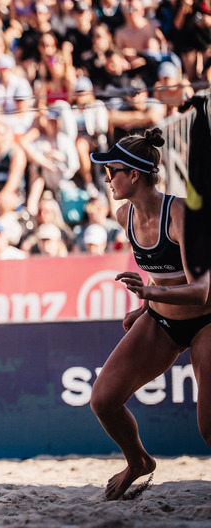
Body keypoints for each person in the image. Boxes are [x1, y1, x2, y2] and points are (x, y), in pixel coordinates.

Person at [89, 128, 211, 500]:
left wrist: (150, 293)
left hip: (206, 321)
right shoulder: (124, 213)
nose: (107, 179)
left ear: (134, 175)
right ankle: (139, 461)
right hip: (161, 321)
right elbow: (158, 270)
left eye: (112, 172)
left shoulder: (180, 213)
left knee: (208, 428)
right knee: (103, 400)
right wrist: (144, 305)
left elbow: (204, 290)